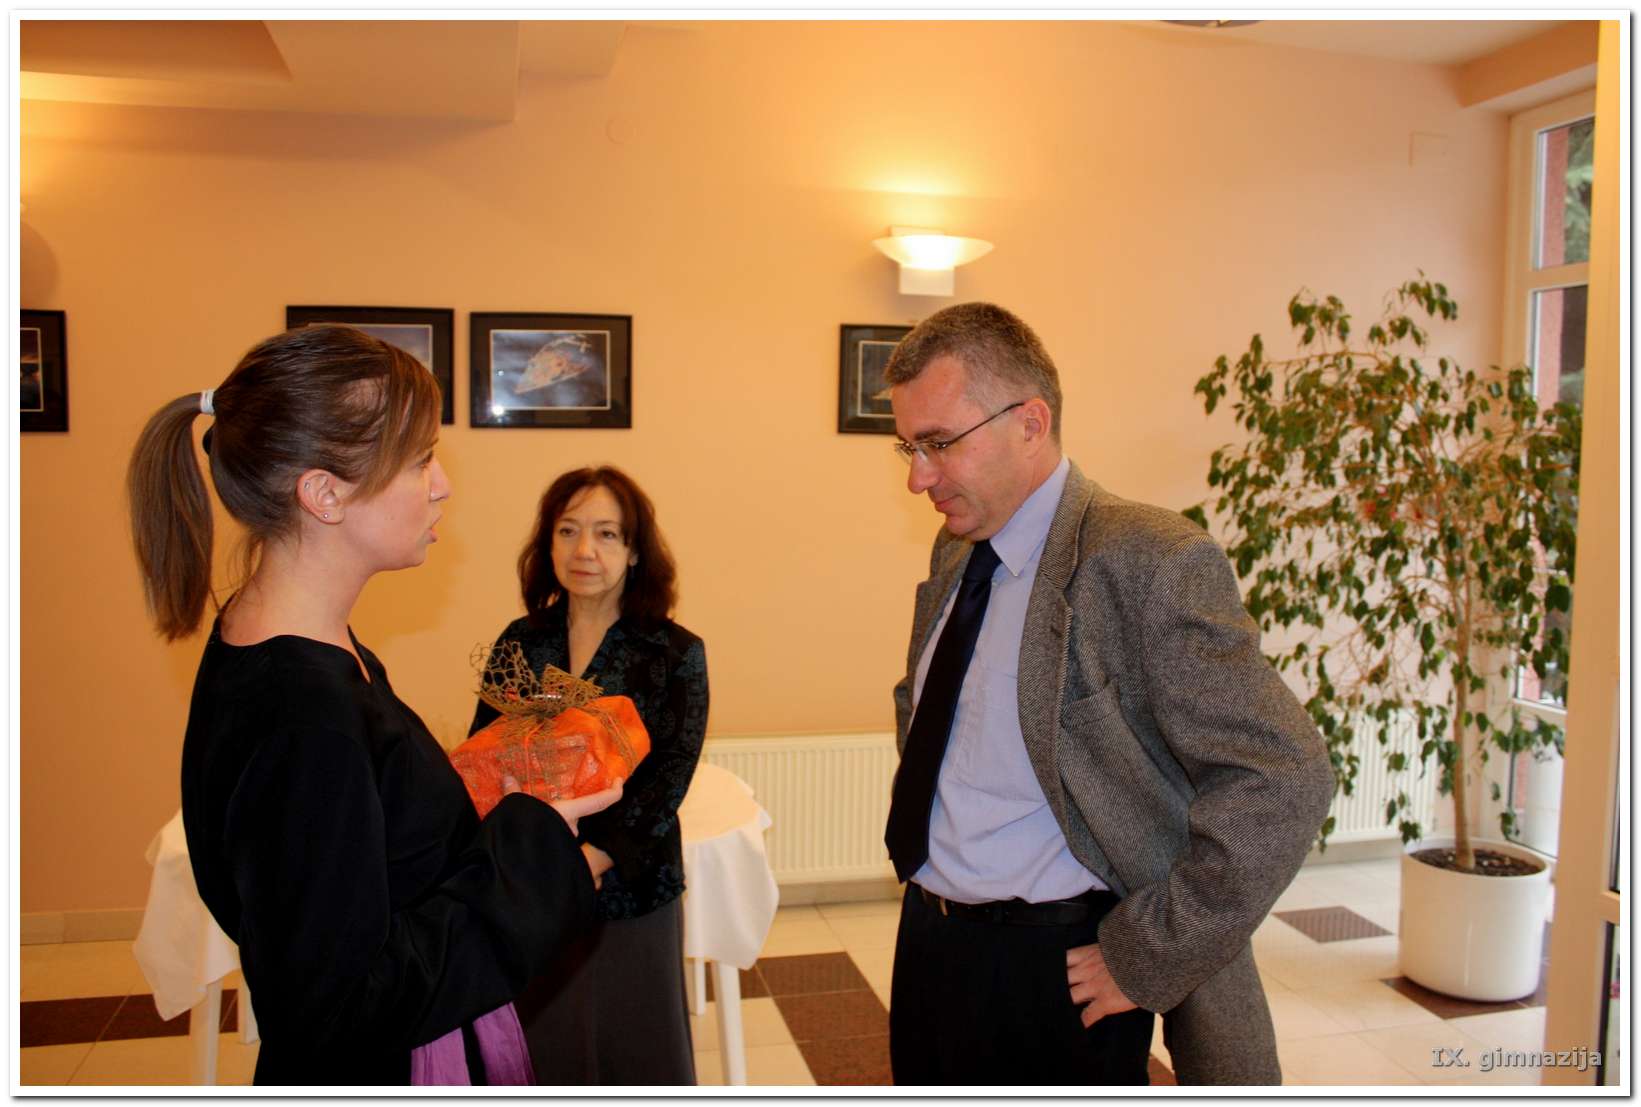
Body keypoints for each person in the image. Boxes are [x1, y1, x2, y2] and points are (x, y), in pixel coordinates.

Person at [126, 325, 620, 1086]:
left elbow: (357, 853)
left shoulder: (300, 641)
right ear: (324, 493)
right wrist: (537, 848)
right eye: (419, 459)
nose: (441, 484)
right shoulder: (302, 713)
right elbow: (338, 1007)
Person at [880, 303, 1334, 1086]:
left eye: (939, 443)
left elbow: (1284, 775)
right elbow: (931, 719)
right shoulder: (956, 549)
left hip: (1056, 969)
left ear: (1030, 422)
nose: (918, 476)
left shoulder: (1147, 560)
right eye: (908, 447)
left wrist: (1147, 952)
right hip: (929, 938)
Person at [470, 465, 708, 1085]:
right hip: (532, 883)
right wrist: (533, 862)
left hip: (629, 882)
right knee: (544, 1044)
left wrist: (592, 860)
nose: (584, 551)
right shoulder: (521, 642)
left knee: (636, 1049)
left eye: (606, 534)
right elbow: (485, 753)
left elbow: (669, 778)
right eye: (568, 530)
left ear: (634, 551)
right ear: (547, 543)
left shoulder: (674, 652)